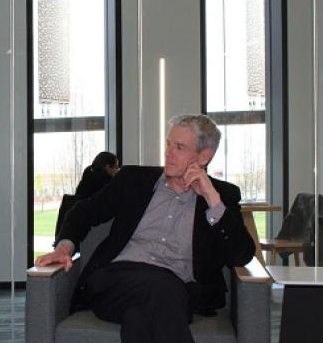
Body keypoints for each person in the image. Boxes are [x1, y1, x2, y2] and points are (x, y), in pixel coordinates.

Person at [36, 114, 255, 343]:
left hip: (178, 292)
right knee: (163, 289)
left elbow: (241, 254)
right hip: (116, 282)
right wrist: (64, 247)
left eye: (179, 147)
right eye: (168, 144)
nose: (168, 152)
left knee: (138, 319)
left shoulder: (222, 196)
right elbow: (84, 211)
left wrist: (211, 198)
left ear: (204, 156)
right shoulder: (133, 180)